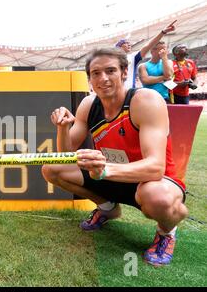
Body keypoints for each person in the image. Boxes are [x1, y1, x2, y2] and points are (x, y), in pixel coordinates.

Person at [41, 48, 188, 267]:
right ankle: (108, 208)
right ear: (89, 79)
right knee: (51, 169)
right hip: (109, 176)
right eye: (96, 73)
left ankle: (166, 231)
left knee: (159, 198)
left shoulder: (145, 100)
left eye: (110, 70)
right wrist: (63, 128)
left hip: (151, 181)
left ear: (124, 72)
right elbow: (65, 156)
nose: (103, 78)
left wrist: (105, 170)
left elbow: (155, 167)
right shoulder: (89, 105)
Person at [116, 20, 176, 89]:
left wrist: (163, 32)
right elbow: (145, 80)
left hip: (129, 93)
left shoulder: (133, 57)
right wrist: (163, 77)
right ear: (119, 46)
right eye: (126, 43)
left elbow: (149, 45)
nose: (129, 44)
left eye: (129, 43)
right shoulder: (111, 59)